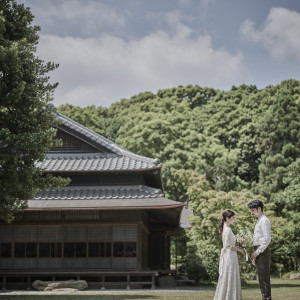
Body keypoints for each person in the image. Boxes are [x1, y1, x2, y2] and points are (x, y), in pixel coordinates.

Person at [214, 209, 245, 300]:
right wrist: (240, 250)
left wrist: (239, 243)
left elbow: (229, 244)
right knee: (230, 276)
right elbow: (228, 246)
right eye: (233, 218)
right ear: (227, 218)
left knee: (228, 276)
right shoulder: (228, 229)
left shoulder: (225, 228)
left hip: (229, 255)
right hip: (230, 256)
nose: (234, 220)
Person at [248, 200, 272, 300]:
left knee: (264, 279)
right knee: (261, 279)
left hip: (262, 251)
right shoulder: (259, 220)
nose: (251, 212)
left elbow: (267, 239)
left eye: (253, 210)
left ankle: (267, 298)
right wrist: (255, 255)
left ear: (259, 209)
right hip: (259, 251)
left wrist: (257, 252)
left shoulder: (264, 220)